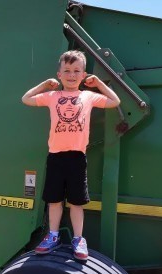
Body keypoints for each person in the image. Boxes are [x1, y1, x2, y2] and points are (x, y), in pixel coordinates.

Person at [21, 50, 120, 260]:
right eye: (67, 70)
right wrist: (44, 85)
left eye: (77, 71)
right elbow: (26, 98)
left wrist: (99, 84)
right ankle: (53, 235)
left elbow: (115, 101)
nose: (72, 75)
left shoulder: (88, 96)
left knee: (76, 202)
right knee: (54, 201)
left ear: (83, 75)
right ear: (59, 74)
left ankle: (78, 239)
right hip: (56, 156)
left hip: (77, 158)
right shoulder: (52, 96)